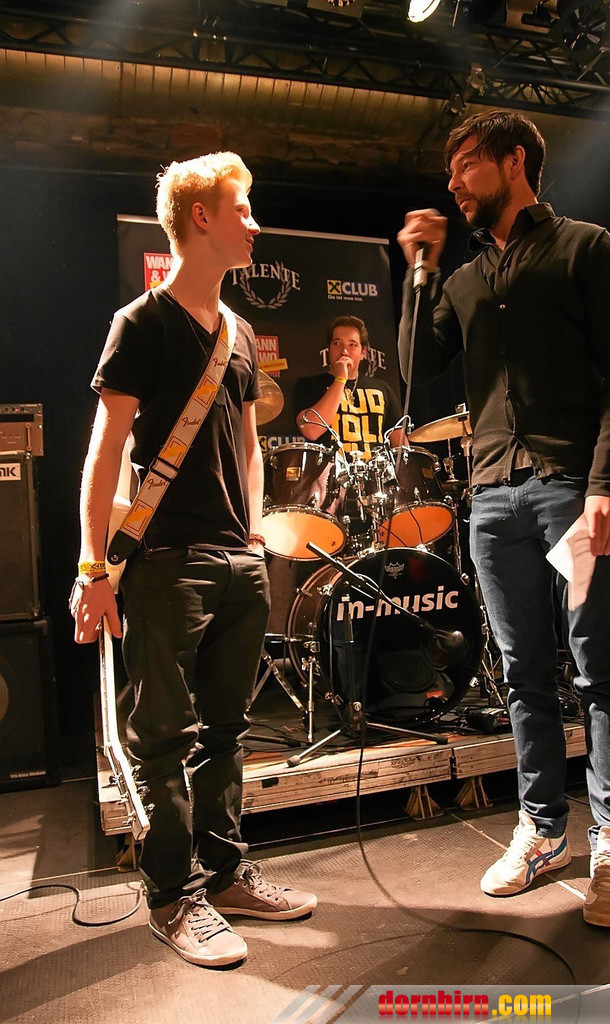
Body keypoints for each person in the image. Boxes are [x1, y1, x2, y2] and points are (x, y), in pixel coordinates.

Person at [397, 111, 610, 928]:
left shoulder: (583, 247)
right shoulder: (463, 278)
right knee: (521, 675)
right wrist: (419, 271)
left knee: (596, 668)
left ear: (514, 161)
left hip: (569, 490)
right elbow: (417, 369)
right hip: (493, 499)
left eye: (466, 164)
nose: (453, 182)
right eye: (449, 170)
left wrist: (607, 482)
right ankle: (542, 830)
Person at [70, 151, 316, 968]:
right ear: (201, 216)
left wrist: (254, 536)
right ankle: (173, 898)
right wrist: (92, 570)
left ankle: (227, 873)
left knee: (228, 732)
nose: (254, 223)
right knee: (163, 738)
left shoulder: (239, 332)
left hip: (236, 560)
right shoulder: (140, 323)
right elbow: (104, 452)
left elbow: (249, 444)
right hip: (166, 562)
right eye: (242, 208)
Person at [294, 315, 404, 457]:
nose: (344, 351)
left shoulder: (382, 389)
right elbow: (311, 430)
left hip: (374, 469)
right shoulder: (308, 385)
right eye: (337, 343)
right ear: (329, 349)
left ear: (363, 352)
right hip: (329, 469)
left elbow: (401, 448)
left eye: (352, 345)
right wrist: (340, 379)